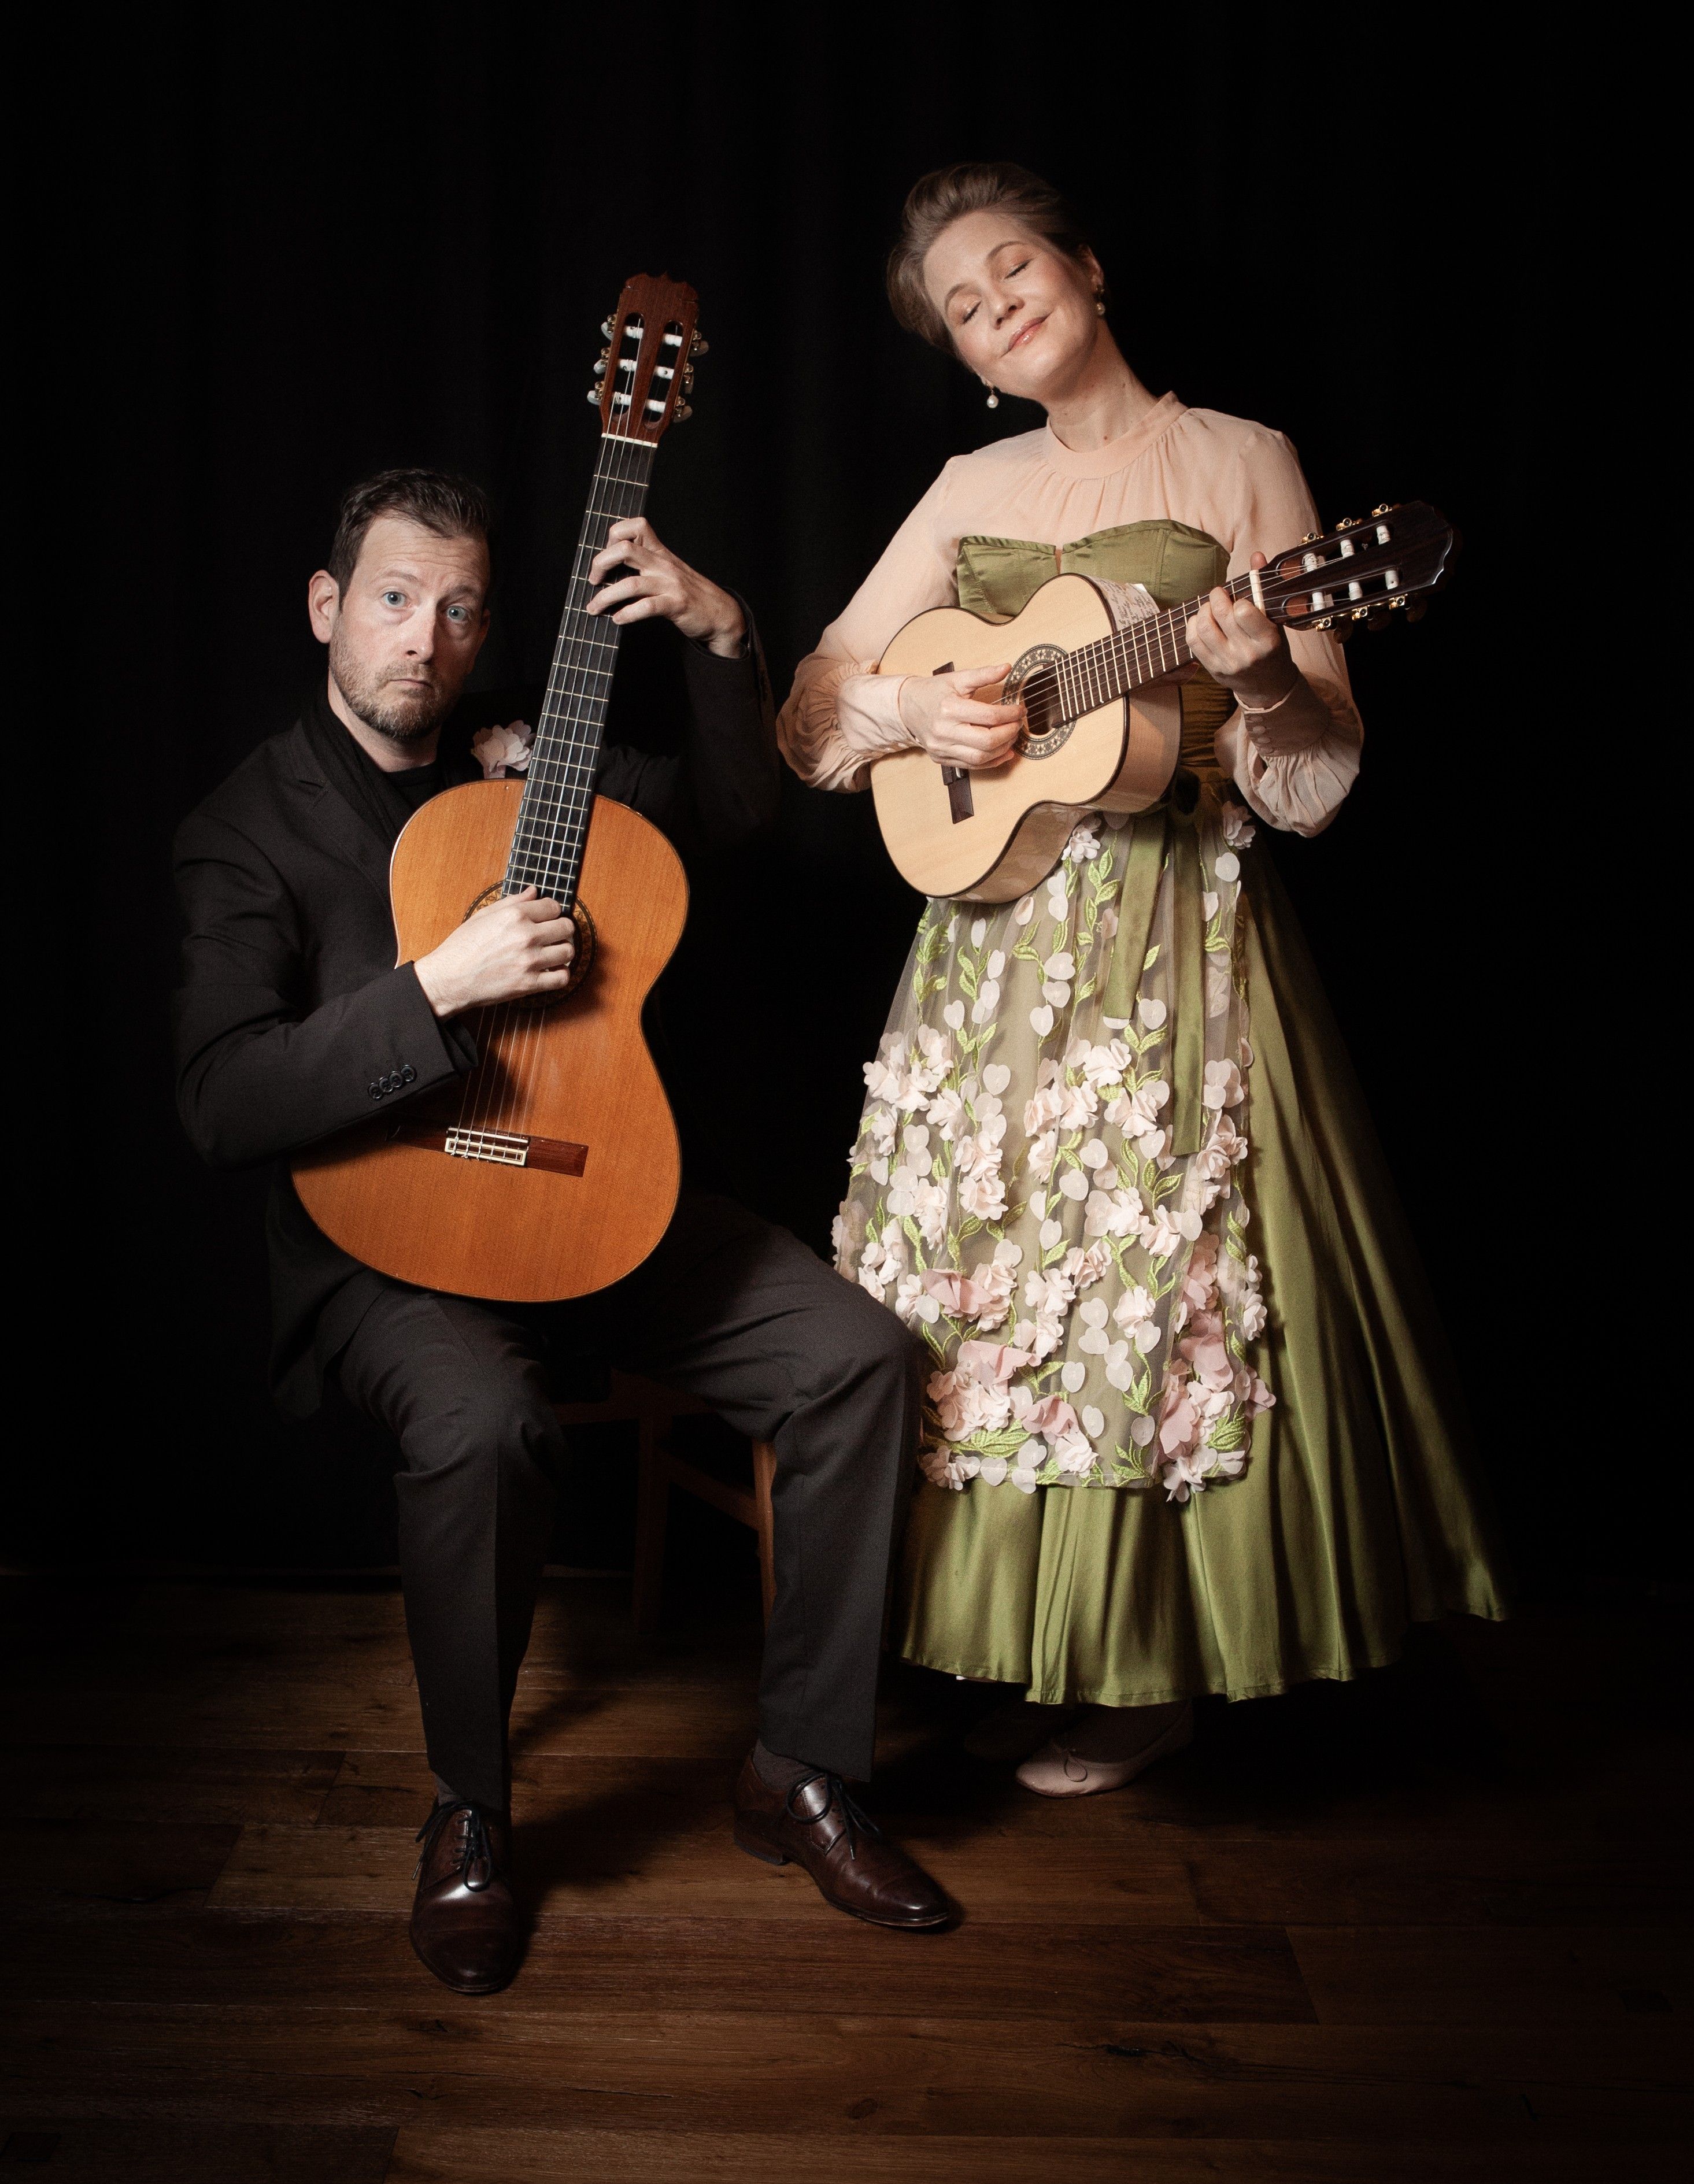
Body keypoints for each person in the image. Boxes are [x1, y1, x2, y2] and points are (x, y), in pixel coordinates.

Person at [778, 165, 1507, 1801]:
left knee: (1141, 1301)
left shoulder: (1239, 461)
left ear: (1085, 268)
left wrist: (1259, 675)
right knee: (988, 1304)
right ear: (965, 356)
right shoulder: (968, 483)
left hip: (1173, 944)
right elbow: (818, 708)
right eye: (963, 306)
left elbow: (1312, 784)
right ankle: (1030, 1657)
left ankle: (1140, 1674)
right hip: (984, 959)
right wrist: (924, 722)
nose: (998, 305)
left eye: (1012, 266)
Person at [174, 468, 949, 1995]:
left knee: (858, 1357)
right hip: (392, 1234)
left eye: (460, 606)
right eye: (396, 598)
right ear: (330, 609)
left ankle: (799, 1765)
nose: (428, 635)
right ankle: (471, 1810)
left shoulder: (535, 749)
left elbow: (734, 811)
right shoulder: (248, 828)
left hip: (599, 1193)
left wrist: (724, 634)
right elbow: (217, 1096)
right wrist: (436, 988)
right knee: (483, 1430)